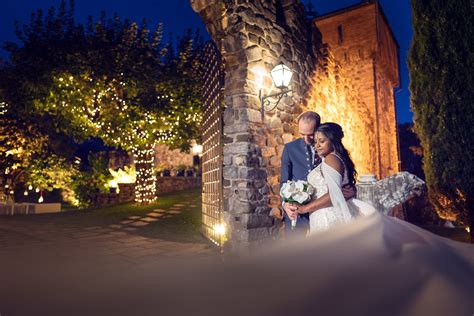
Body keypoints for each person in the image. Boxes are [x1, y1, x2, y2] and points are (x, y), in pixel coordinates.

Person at [280, 112, 355, 237]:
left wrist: (352, 188)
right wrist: (285, 204)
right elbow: (284, 181)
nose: (306, 139)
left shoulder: (329, 149)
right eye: (302, 134)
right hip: (297, 215)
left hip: (326, 212)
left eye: (310, 135)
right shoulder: (289, 148)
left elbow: (340, 175)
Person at [297, 122, 376, 233]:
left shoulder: (331, 159)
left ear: (333, 141)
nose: (317, 146)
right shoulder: (334, 159)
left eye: (322, 141)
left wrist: (305, 208)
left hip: (327, 218)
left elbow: (333, 194)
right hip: (322, 216)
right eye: (315, 142)